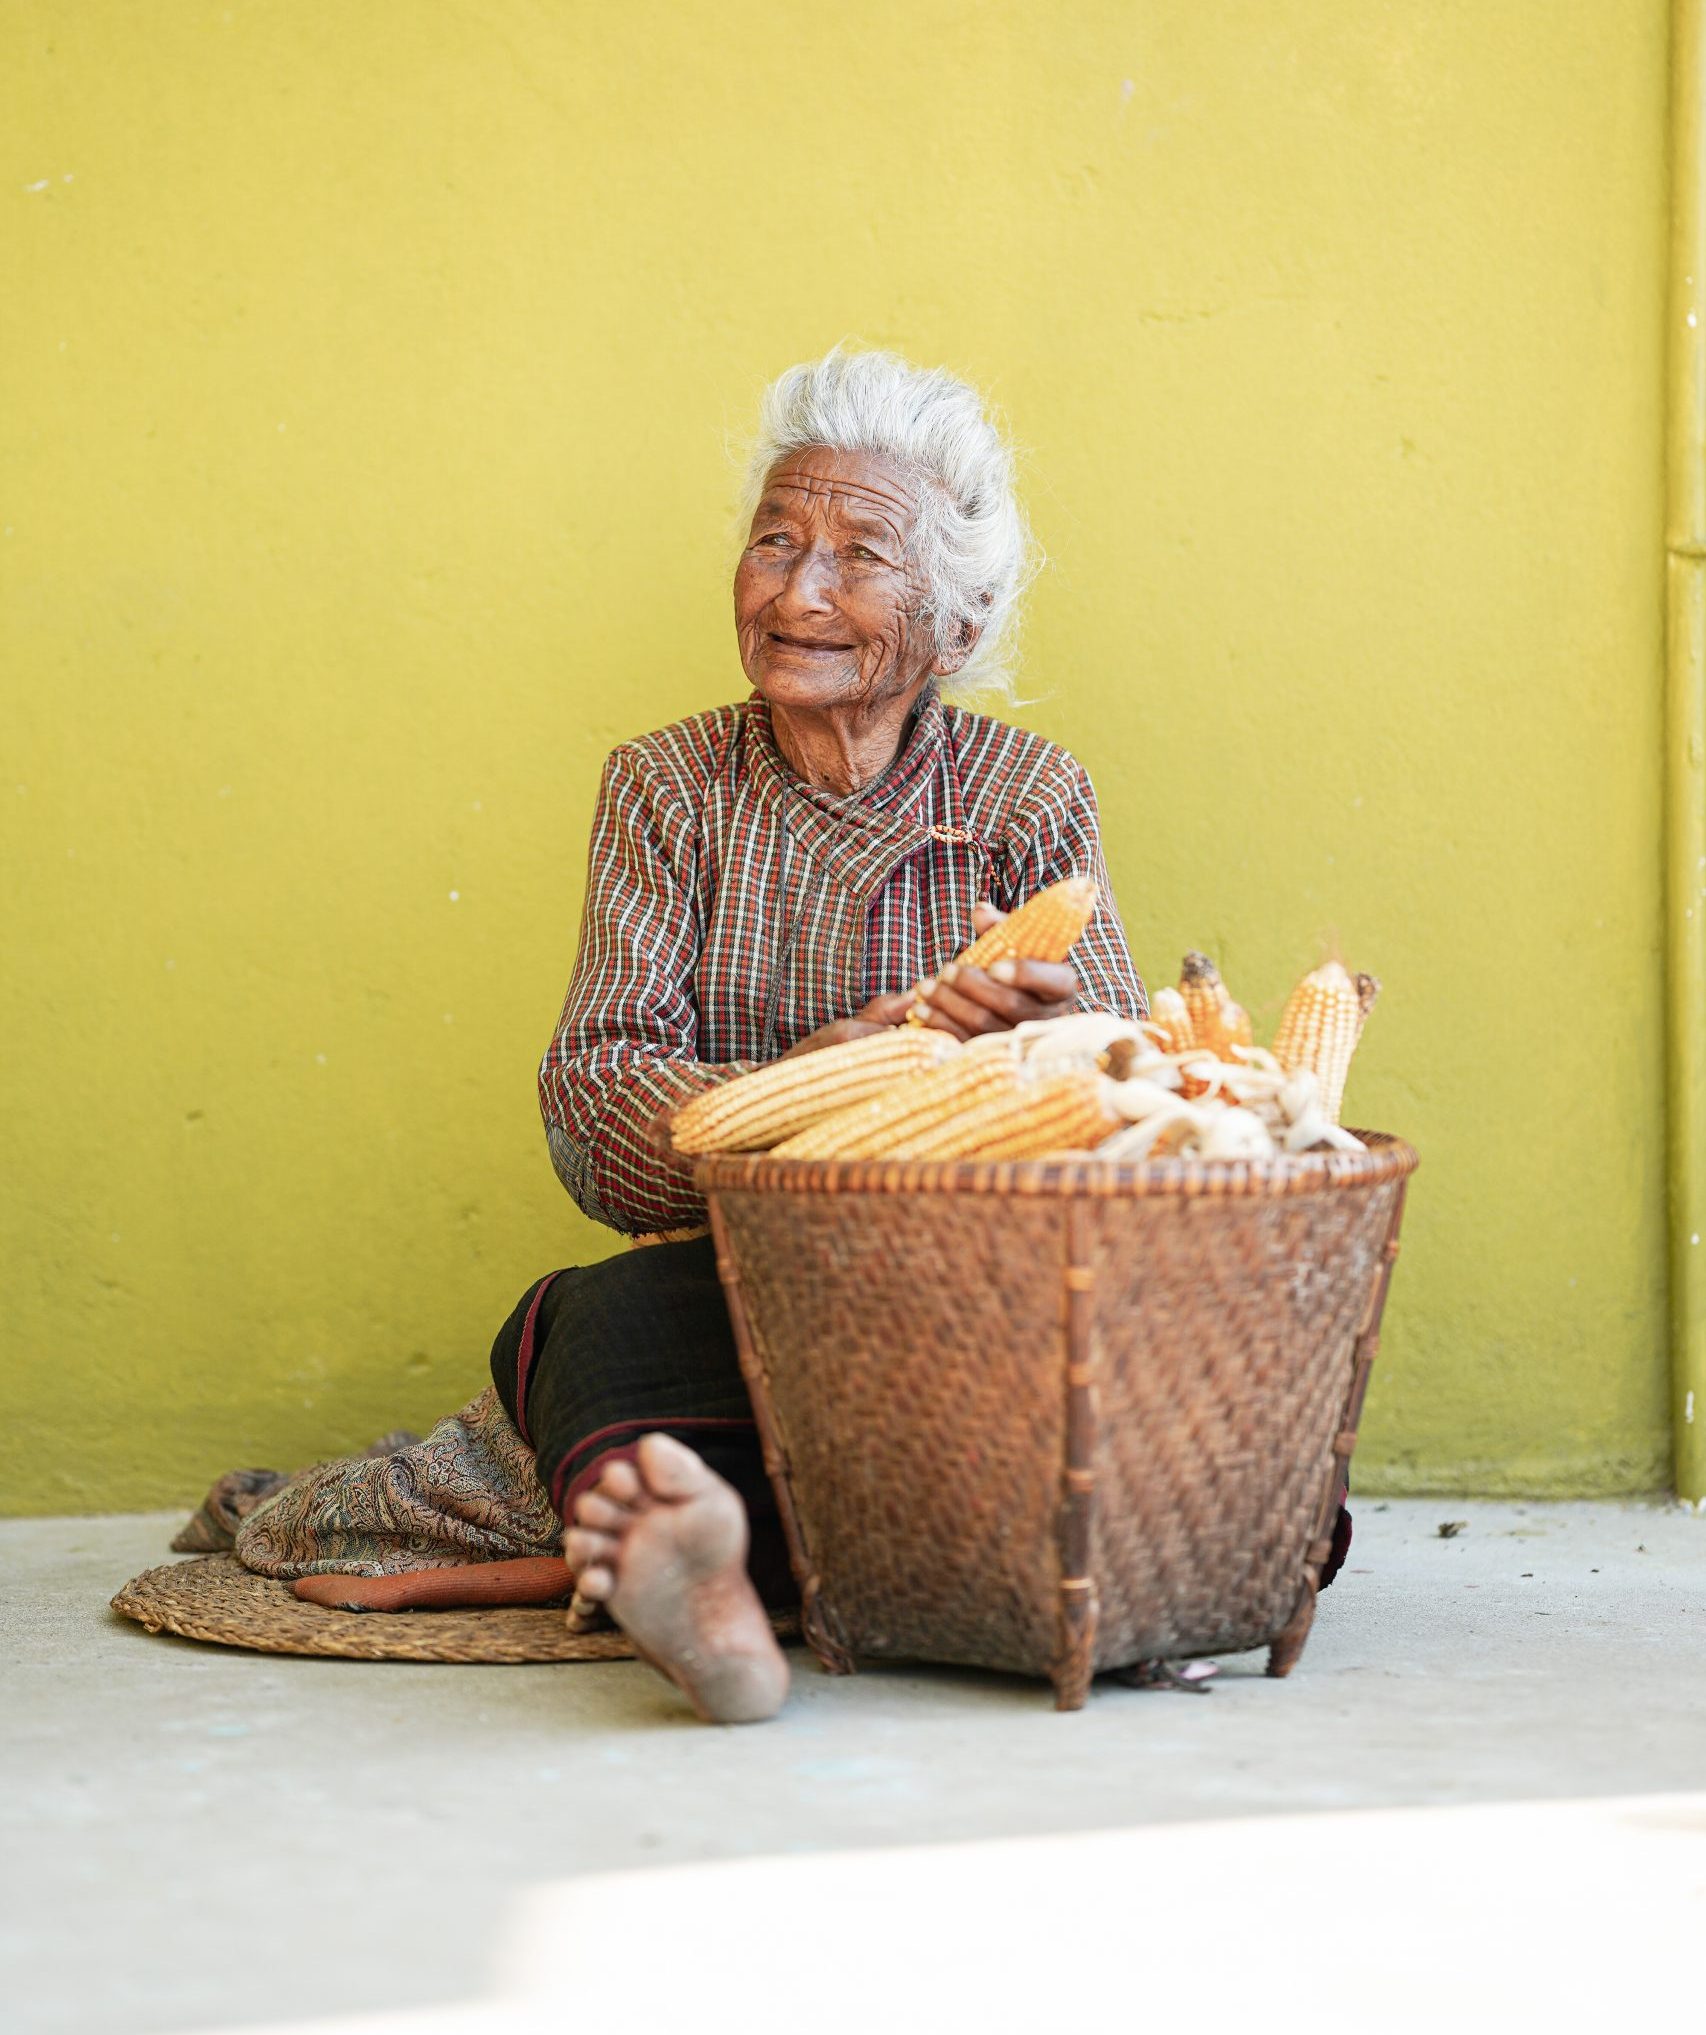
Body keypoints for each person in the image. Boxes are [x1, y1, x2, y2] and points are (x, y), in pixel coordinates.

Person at [498, 348, 1149, 1722]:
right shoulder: (666, 789)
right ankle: (768, 1574)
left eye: (858, 556)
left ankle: (733, 1554)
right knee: (586, 1327)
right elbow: (599, 1112)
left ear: (956, 629)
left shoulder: (1028, 800)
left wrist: (1034, 1056)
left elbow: (1132, 1103)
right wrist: (840, 1067)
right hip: (746, 1284)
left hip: (973, 1301)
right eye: (775, 543)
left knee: (1171, 1412)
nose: (797, 591)